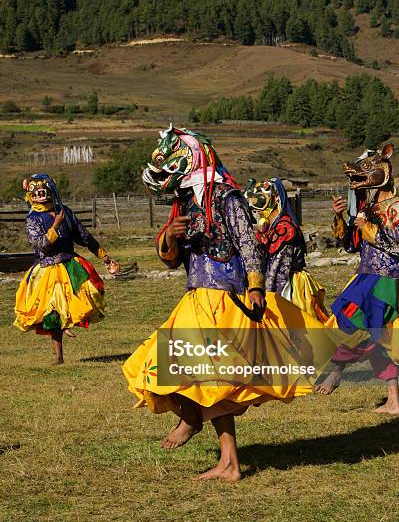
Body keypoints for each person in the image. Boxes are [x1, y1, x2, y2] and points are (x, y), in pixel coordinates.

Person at [122, 126, 338, 481]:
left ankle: (194, 422)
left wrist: (255, 287)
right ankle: (229, 462)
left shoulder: (227, 197)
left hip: (224, 299)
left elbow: (248, 243)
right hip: (197, 295)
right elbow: (172, 260)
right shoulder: (187, 202)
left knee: (193, 370)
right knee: (205, 377)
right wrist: (169, 239)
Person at [316, 144, 399, 414]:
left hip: (387, 277)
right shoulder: (367, 207)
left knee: (356, 325)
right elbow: (351, 245)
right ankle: (393, 400)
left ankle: (337, 369)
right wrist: (340, 216)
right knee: (368, 332)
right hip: (366, 275)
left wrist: (369, 230)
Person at [14, 173, 118, 364]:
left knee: (83, 301)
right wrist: (55, 225)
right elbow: (42, 244)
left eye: (45, 191)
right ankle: (59, 356)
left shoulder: (65, 212)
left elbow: (84, 237)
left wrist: (105, 256)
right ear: (30, 196)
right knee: (52, 311)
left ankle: (67, 324)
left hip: (71, 266)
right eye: (36, 192)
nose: (42, 194)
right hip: (47, 270)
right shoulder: (32, 220)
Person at [245, 177, 328, 322]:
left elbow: (278, 270)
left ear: (275, 197)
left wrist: (268, 295)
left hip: (289, 285)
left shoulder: (285, 229)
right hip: (277, 281)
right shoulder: (271, 227)